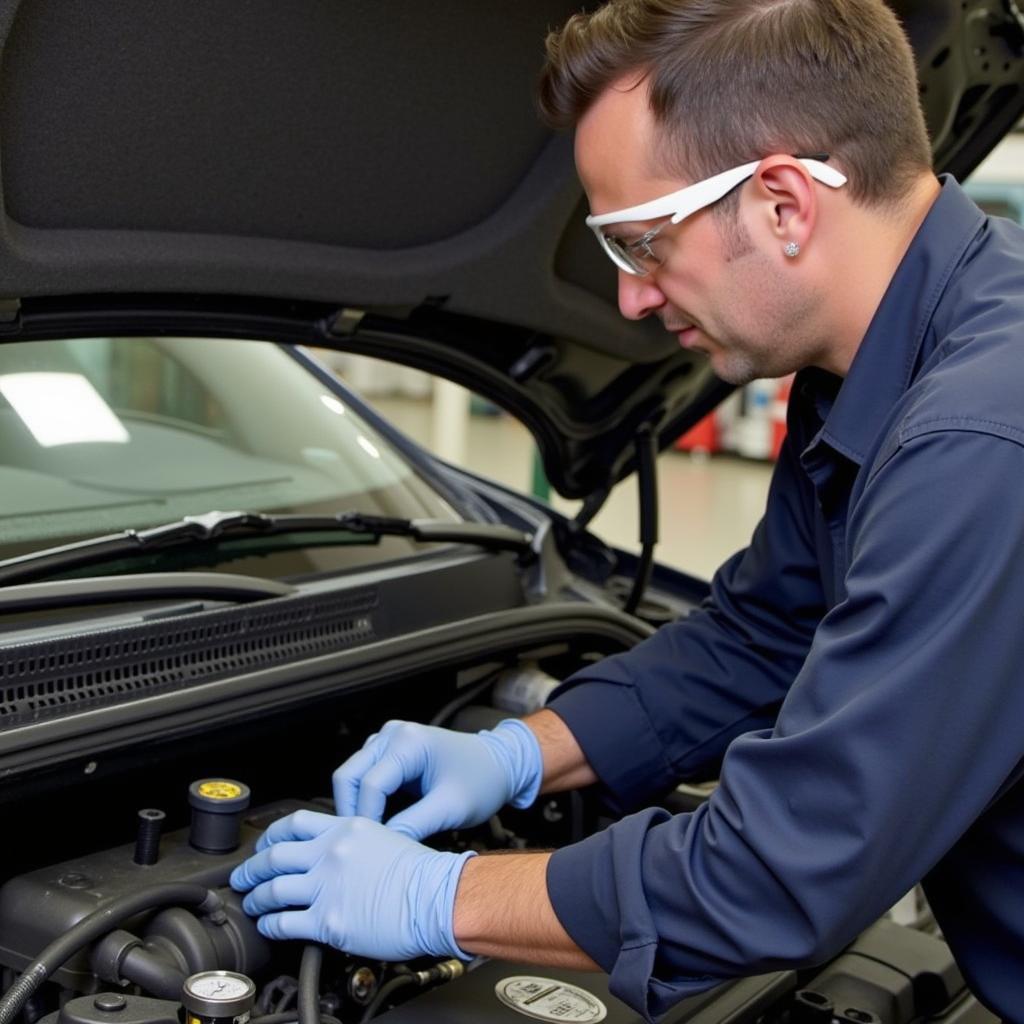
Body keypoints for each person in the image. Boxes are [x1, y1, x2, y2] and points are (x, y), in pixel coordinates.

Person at [230, 0, 1024, 1018]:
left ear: (783, 202)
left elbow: (777, 873)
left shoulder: (976, 440)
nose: (632, 302)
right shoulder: (884, 360)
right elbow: (765, 632)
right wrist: (521, 752)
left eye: (641, 243)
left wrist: (436, 894)